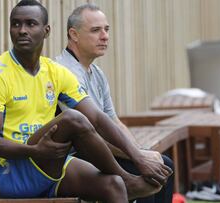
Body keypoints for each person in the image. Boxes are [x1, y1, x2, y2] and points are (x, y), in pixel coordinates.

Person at [0, 0, 172, 202]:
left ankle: (123, 181)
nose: (22, 30)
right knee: (73, 119)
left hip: (49, 160)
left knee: (113, 185)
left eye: (30, 24)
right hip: (12, 172)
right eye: (16, 24)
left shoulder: (54, 72)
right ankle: (127, 180)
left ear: (46, 30)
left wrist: (138, 156)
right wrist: (34, 150)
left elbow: (96, 117)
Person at [55, 4, 174, 203]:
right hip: (74, 158)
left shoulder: (97, 73)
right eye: (96, 30)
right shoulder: (64, 72)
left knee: (164, 166)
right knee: (147, 176)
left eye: (106, 29)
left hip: (99, 150)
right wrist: (137, 158)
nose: (105, 36)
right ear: (74, 35)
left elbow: (114, 122)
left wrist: (141, 153)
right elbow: (90, 134)